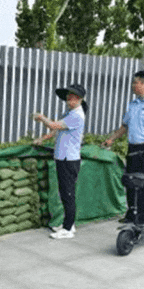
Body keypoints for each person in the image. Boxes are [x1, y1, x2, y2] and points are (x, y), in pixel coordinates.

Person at [102, 70, 144, 224]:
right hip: (133, 149)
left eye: (135, 82)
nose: (132, 85)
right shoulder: (133, 104)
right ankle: (132, 214)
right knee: (131, 182)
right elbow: (124, 126)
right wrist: (111, 139)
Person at [33, 84, 88, 239]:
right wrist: (42, 139)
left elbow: (53, 125)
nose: (69, 100)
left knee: (68, 194)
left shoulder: (77, 116)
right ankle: (68, 224)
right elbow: (55, 130)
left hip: (68, 159)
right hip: (63, 157)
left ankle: (68, 229)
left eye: (72, 97)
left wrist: (41, 117)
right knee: (65, 192)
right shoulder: (70, 113)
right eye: (68, 97)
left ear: (79, 99)